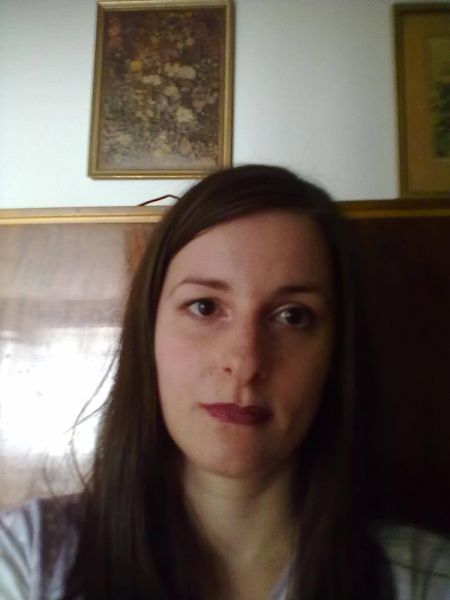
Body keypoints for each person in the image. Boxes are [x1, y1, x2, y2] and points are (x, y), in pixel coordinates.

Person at [0, 165, 449, 599]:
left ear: (336, 352)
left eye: (293, 316)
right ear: (149, 332)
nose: (246, 362)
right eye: (205, 307)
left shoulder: (424, 577)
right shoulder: (29, 557)